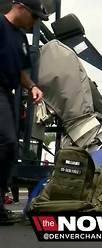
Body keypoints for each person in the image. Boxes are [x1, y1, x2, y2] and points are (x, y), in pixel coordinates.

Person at [0, 0, 48, 225]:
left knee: (10, 150)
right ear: (20, 6)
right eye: (35, 16)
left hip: (8, 94)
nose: (35, 21)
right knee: (7, 142)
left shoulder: (19, 38)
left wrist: (32, 86)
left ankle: (0, 203)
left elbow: (20, 71)